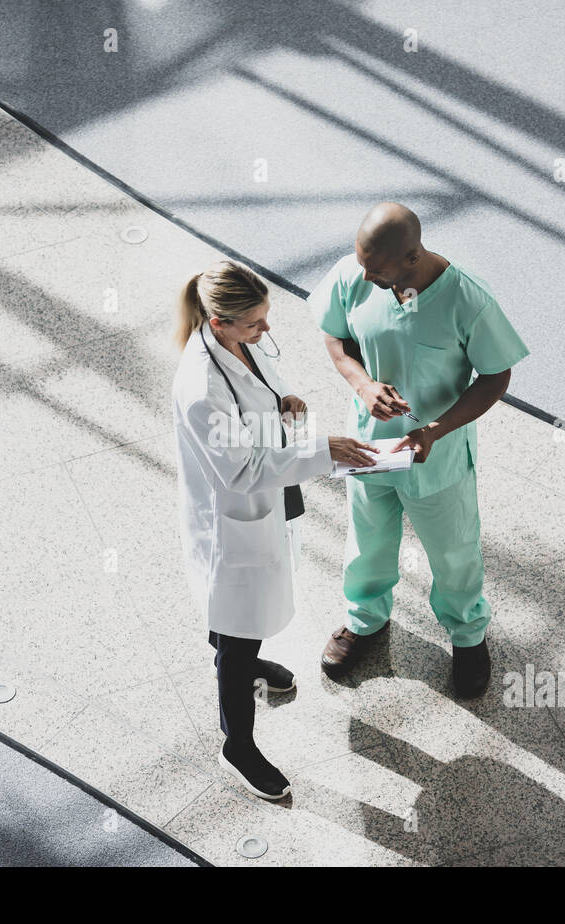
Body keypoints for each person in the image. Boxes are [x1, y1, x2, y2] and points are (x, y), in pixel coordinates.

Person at [172, 259, 377, 800]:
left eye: (265, 320)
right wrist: (321, 450)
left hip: (267, 497)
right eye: (255, 325)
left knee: (245, 618)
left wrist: (280, 401)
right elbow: (239, 471)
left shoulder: (237, 343)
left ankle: (245, 656)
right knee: (238, 631)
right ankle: (237, 744)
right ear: (220, 323)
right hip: (234, 517)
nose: (266, 332)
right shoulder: (200, 388)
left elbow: (257, 392)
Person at [307, 202, 531, 697]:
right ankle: (364, 621)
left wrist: (434, 429)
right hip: (369, 445)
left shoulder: (466, 301)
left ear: (412, 257)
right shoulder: (355, 274)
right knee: (367, 539)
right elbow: (334, 335)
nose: (364, 276)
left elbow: (496, 375)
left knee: (453, 551)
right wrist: (362, 384)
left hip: (438, 453)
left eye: (377, 270)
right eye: (361, 264)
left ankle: (468, 636)